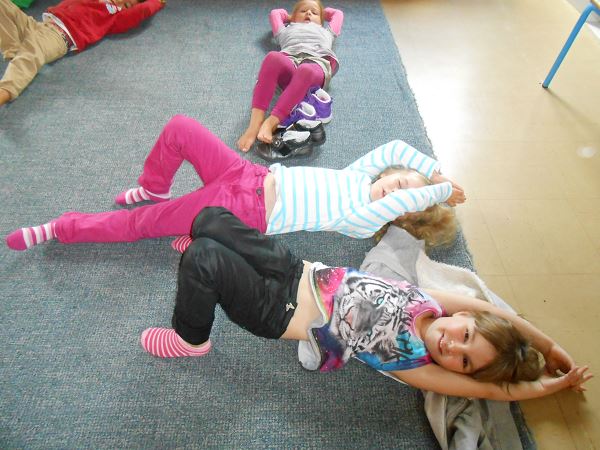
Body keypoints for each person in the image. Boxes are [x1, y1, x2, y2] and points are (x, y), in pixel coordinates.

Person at [140, 207, 592, 401]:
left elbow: (495, 391)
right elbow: (500, 315)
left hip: (277, 312)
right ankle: (211, 262)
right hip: (297, 270)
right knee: (210, 220)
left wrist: (549, 387)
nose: (454, 347)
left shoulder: (414, 364)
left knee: (204, 258)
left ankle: (192, 339)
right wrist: (550, 347)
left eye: (465, 362)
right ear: (467, 315)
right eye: (467, 335)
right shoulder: (431, 303)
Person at [5, 114, 465, 251]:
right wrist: (435, 171)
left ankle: (61, 228)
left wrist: (437, 192)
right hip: (249, 175)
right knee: (181, 128)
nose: (396, 190)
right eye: (400, 181)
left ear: (404, 213)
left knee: (142, 224)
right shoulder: (357, 177)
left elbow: (397, 201)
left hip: (241, 212)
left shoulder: (362, 222)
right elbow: (394, 147)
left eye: (406, 197)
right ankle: (154, 185)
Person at [0, 0, 165, 106]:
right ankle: (15, 52)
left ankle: (5, 91)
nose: (121, 2)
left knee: (31, 54)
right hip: (39, 25)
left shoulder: (114, 15)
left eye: (127, 5)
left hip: (59, 35)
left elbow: (141, 11)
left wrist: (157, 2)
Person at [236, 1, 343, 151]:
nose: (308, 13)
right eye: (303, 11)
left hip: (315, 65)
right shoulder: (285, 31)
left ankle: (271, 122)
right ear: (293, 17)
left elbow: (338, 14)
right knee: (272, 57)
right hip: (291, 64)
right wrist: (291, 17)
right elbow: (275, 14)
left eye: (314, 12)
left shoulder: (327, 32)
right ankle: (255, 124)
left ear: (321, 20)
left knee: (305, 70)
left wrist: (321, 13)